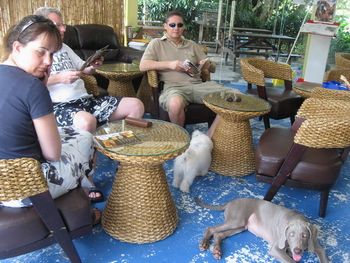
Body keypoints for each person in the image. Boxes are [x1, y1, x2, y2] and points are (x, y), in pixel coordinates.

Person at [0, 14, 100, 222]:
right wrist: (41, 90)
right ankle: (83, 209)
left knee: (68, 134)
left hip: (3, 184)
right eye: (41, 52)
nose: (48, 62)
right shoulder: (32, 87)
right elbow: (53, 154)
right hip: (27, 190)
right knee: (87, 138)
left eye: (52, 54)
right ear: (17, 48)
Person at [34, 7, 145, 133]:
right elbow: (29, 84)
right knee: (87, 122)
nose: (64, 29)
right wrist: (60, 78)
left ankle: (124, 146)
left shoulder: (65, 47)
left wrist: (92, 66)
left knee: (136, 105)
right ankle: (91, 151)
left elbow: (84, 70)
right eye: (58, 25)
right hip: (60, 106)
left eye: (63, 24)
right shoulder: (36, 53)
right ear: (43, 27)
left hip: (87, 101)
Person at [139, 10, 240, 137]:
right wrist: (170, 64)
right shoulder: (157, 43)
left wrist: (207, 64)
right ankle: (181, 138)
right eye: (172, 25)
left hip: (198, 85)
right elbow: (143, 65)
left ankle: (209, 137)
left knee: (235, 96)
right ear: (165, 26)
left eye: (180, 25)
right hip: (174, 87)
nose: (176, 28)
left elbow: (212, 67)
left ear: (183, 27)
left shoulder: (191, 45)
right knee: (175, 104)